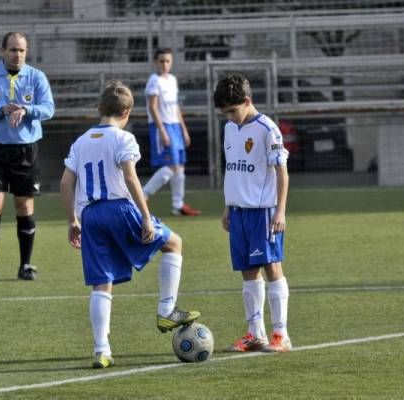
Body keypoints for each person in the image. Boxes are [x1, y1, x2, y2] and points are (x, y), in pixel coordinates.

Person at [60, 81, 200, 369]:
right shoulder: (124, 139)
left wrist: (72, 220)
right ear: (127, 111)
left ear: (99, 109)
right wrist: (146, 216)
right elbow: (130, 178)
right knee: (174, 243)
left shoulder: (81, 141)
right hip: (120, 209)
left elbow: (65, 182)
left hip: (91, 216)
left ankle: (102, 350)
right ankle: (166, 310)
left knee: (102, 282)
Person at [213, 72, 292, 353]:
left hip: (263, 212)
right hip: (239, 212)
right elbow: (234, 169)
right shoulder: (230, 129)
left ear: (247, 100)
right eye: (225, 114)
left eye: (233, 111)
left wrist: (280, 211)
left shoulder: (267, 129)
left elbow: (281, 172)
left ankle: (281, 334)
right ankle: (254, 333)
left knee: (272, 267)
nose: (230, 117)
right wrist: (228, 206)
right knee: (247, 272)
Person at [0, 32, 55, 282]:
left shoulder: (37, 77)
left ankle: (26, 265)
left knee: (24, 206)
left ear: (26, 52)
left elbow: (49, 109)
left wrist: (26, 109)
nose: (17, 55)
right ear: (3, 51)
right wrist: (0, 110)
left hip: (26, 150)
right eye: (13, 50)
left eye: (21, 50)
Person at [142, 48, 201, 216]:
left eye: (167, 61)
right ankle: (143, 194)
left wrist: (184, 129)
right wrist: (162, 131)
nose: (164, 64)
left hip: (175, 126)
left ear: (171, 62)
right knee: (171, 166)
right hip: (162, 126)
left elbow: (175, 107)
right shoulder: (154, 81)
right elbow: (153, 108)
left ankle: (178, 205)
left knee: (180, 167)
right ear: (155, 62)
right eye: (161, 61)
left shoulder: (172, 80)